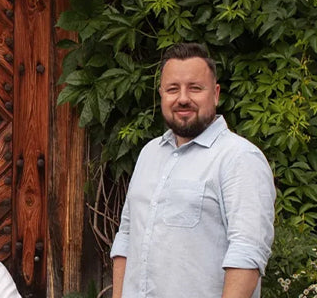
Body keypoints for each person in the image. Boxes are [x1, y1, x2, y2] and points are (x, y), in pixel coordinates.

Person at [110, 43, 275, 298]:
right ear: (161, 94)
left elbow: (247, 253)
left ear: (216, 94)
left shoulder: (239, 158)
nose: (183, 98)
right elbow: (126, 238)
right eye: (173, 89)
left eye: (195, 88)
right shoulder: (149, 154)